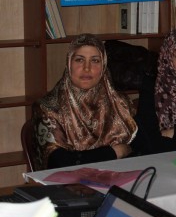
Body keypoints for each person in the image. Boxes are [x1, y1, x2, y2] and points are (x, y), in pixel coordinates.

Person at [33, 34, 138, 170]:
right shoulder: (48, 108)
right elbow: (59, 162)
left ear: (104, 66)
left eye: (95, 61)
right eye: (79, 60)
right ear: (69, 64)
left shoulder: (120, 104)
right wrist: (114, 152)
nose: (87, 68)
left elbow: (141, 148)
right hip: (68, 181)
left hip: (120, 177)